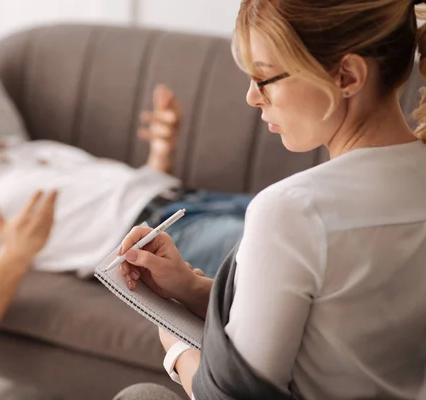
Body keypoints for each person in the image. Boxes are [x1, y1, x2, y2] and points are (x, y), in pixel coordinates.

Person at [112, 1, 426, 399]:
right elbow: (326, 325)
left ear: (347, 76)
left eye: (264, 78)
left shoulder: (294, 211)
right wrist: (191, 289)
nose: (251, 97)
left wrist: (176, 347)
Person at [0, 60, 252, 361]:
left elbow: (119, 195)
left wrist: (162, 153)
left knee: (299, 214)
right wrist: (14, 256)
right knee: (286, 249)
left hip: (191, 200)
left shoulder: (29, 150)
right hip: (156, 237)